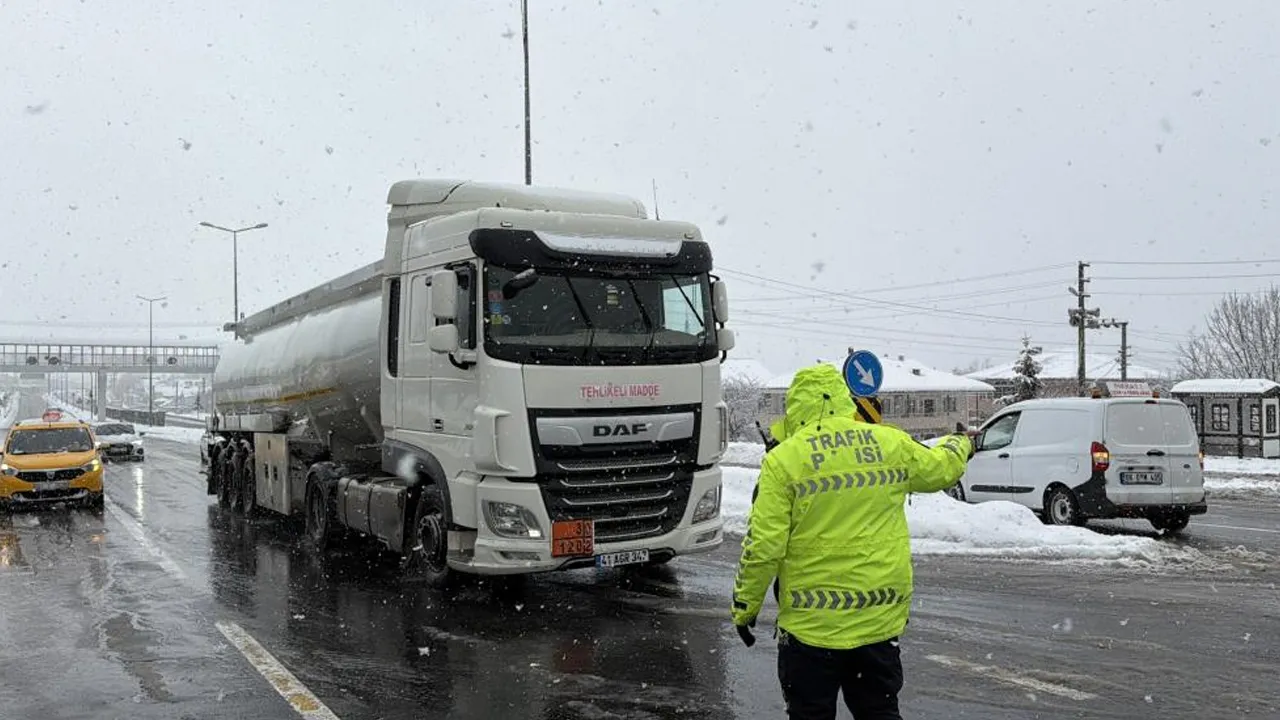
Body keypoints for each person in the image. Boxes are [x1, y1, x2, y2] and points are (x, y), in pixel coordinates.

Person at [731, 363, 974, 720]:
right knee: (879, 711)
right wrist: (959, 443)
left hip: (811, 632)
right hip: (878, 622)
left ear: (795, 406)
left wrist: (745, 606)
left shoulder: (784, 461)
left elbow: (763, 546)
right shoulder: (889, 442)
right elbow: (941, 468)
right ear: (846, 399)